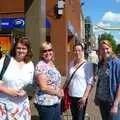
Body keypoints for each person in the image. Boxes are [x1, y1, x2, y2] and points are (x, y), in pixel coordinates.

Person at [0, 36, 34, 120]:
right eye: (18, 48)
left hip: (23, 106)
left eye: (24, 48)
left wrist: (26, 90)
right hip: (5, 105)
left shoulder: (30, 64)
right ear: (14, 48)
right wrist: (8, 91)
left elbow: (31, 84)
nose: (21, 51)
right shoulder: (5, 60)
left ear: (28, 50)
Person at [34, 41, 64, 120]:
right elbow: (43, 87)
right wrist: (57, 92)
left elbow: (54, 82)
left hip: (55, 101)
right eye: (45, 51)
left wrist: (60, 90)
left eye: (49, 50)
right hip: (46, 103)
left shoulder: (51, 63)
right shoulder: (41, 65)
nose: (48, 52)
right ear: (41, 53)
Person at [67, 42, 94, 120]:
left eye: (79, 50)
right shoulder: (71, 63)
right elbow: (68, 78)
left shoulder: (87, 64)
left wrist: (85, 97)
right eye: (75, 50)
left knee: (80, 118)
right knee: (74, 117)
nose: (77, 52)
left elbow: (90, 82)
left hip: (81, 97)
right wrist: (62, 90)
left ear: (82, 51)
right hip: (71, 95)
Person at [95, 40, 120, 120]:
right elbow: (99, 81)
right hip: (102, 101)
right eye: (102, 49)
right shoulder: (101, 63)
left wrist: (116, 104)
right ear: (100, 51)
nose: (105, 51)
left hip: (112, 102)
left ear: (111, 49)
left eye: (107, 48)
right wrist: (96, 95)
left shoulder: (117, 63)